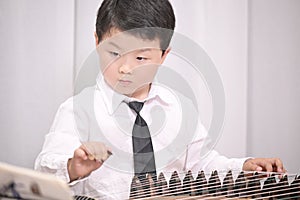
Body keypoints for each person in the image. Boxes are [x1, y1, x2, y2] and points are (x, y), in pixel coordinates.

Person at [35, 0, 286, 199]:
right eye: (114, 52)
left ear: (164, 55)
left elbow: (203, 164)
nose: (125, 68)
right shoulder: (78, 110)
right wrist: (72, 167)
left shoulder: (179, 109)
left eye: (141, 58)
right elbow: (43, 171)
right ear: (97, 41)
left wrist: (245, 166)